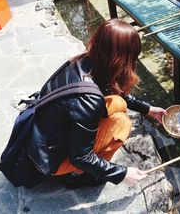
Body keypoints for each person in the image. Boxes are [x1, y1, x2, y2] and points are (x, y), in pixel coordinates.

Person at [28, 18, 166, 188]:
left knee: (117, 103)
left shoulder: (85, 61)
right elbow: (80, 157)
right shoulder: (88, 100)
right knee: (122, 124)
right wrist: (121, 174)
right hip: (51, 158)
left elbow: (116, 92)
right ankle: (79, 176)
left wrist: (148, 109)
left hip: (46, 137)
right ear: (121, 58)